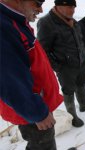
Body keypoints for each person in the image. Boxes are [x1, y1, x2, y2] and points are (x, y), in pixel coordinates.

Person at [0, 0, 63, 149]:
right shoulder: (3, 27)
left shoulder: (15, 20)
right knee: (42, 144)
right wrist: (37, 113)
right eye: (37, 2)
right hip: (34, 109)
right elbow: (9, 80)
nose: (41, 9)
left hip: (38, 104)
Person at [37, 0, 85, 127]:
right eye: (70, 7)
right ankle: (72, 116)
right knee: (69, 91)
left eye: (74, 7)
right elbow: (43, 51)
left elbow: (80, 42)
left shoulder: (73, 21)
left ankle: (84, 105)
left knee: (81, 85)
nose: (73, 10)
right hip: (65, 68)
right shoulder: (46, 23)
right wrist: (58, 67)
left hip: (81, 63)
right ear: (58, 6)